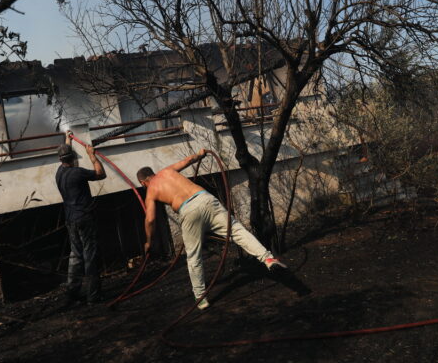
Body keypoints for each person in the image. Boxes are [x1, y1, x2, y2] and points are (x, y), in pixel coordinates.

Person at [136, 149, 286, 310]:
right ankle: (268, 259)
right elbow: (188, 160)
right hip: (205, 198)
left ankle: (201, 297)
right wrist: (200, 154)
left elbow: (150, 220)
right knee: (237, 231)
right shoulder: (167, 171)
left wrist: (148, 242)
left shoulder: (151, 190)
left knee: (194, 256)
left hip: (188, 210)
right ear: (153, 173)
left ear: (144, 182)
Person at [56, 131, 106, 306]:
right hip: (84, 218)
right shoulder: (78, 173)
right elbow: (101, 174)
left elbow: (66, 153)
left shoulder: (59, 173)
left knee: (75, 256)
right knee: (90, 256)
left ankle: (73, 292)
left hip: (70, 220)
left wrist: (68, 139)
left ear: (61, 159)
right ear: (73, 157)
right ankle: (93, 296)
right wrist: (92, 156)